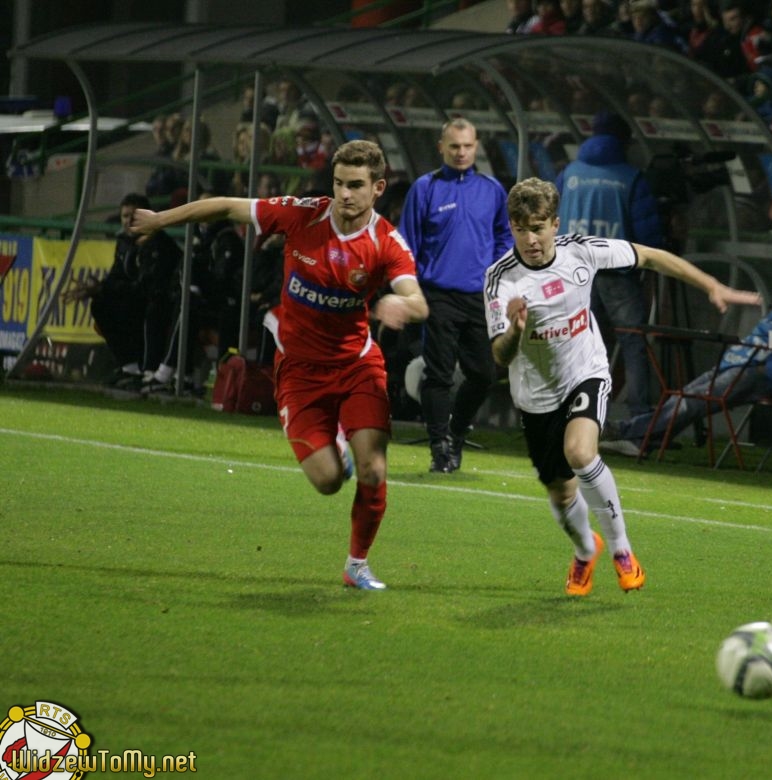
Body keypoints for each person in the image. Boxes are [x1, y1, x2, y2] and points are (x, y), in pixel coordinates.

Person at [129, 140, 429, 590]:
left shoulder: (386, 242)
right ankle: (336, 447)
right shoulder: (302, 215)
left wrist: (401, 305)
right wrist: (159, 220)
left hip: (356, 366)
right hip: (300, 372)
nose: (344, 194)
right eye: (338, 183)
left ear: (378, 188)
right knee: (328, 481)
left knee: (374, 469)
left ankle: (357, 565)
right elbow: (226, 206)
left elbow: (418, 300)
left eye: (355, 185)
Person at [483, 178, 761, 596]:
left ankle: (622, 550)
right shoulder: (501, 280)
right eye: (521, 229)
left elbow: (650, 256)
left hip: (586, 370)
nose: (531, 239)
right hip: (536, 395)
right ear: (511, 227)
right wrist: (516, 331)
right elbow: (500, 356)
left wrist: (711, 285)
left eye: (538, 228)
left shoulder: (582, 251)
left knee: (580, 452)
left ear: (555, 224)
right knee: (561, 494)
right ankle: (585, 550)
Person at [600, 256, 772, 457]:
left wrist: (768, 368)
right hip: (735, 367)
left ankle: (624, 431)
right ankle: (642, 440)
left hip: (764, 378)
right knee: (681, 397)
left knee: (689, 402)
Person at [399, 118, 513, 473]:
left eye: (467, 146)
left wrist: (493, 272)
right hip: (437, 295)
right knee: (439, 375)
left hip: (479, 297)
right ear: (441, 148)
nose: (461, 152)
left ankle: (457, 432)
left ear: (475, 146)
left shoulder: (492, 189)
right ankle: (440, 448)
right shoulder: (425, 188)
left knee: (483, 375)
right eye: (454, 146)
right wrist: (411, 291)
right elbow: (405, 244)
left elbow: (504, 236)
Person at [555, 110, 664, 418]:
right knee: (633, 342)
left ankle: (575, 410)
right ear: (623, 140)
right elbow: (647, 233)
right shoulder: (630, 177)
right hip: (617, 273)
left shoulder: (570, 173)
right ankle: (638, 415)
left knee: (579, 342)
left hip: (575, 271)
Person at [63, 193, 181, 390]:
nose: (128, 221)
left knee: (153, 307)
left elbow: (148, 286)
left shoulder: (159, 244)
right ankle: (130, 367)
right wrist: (98, 289)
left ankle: (149, 370)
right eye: (125, 216)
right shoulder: (125, 243)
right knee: (100, 304)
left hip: (161, 305)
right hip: (136, 301)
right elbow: (115, 277)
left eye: (133, 216)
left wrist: (107, 288)